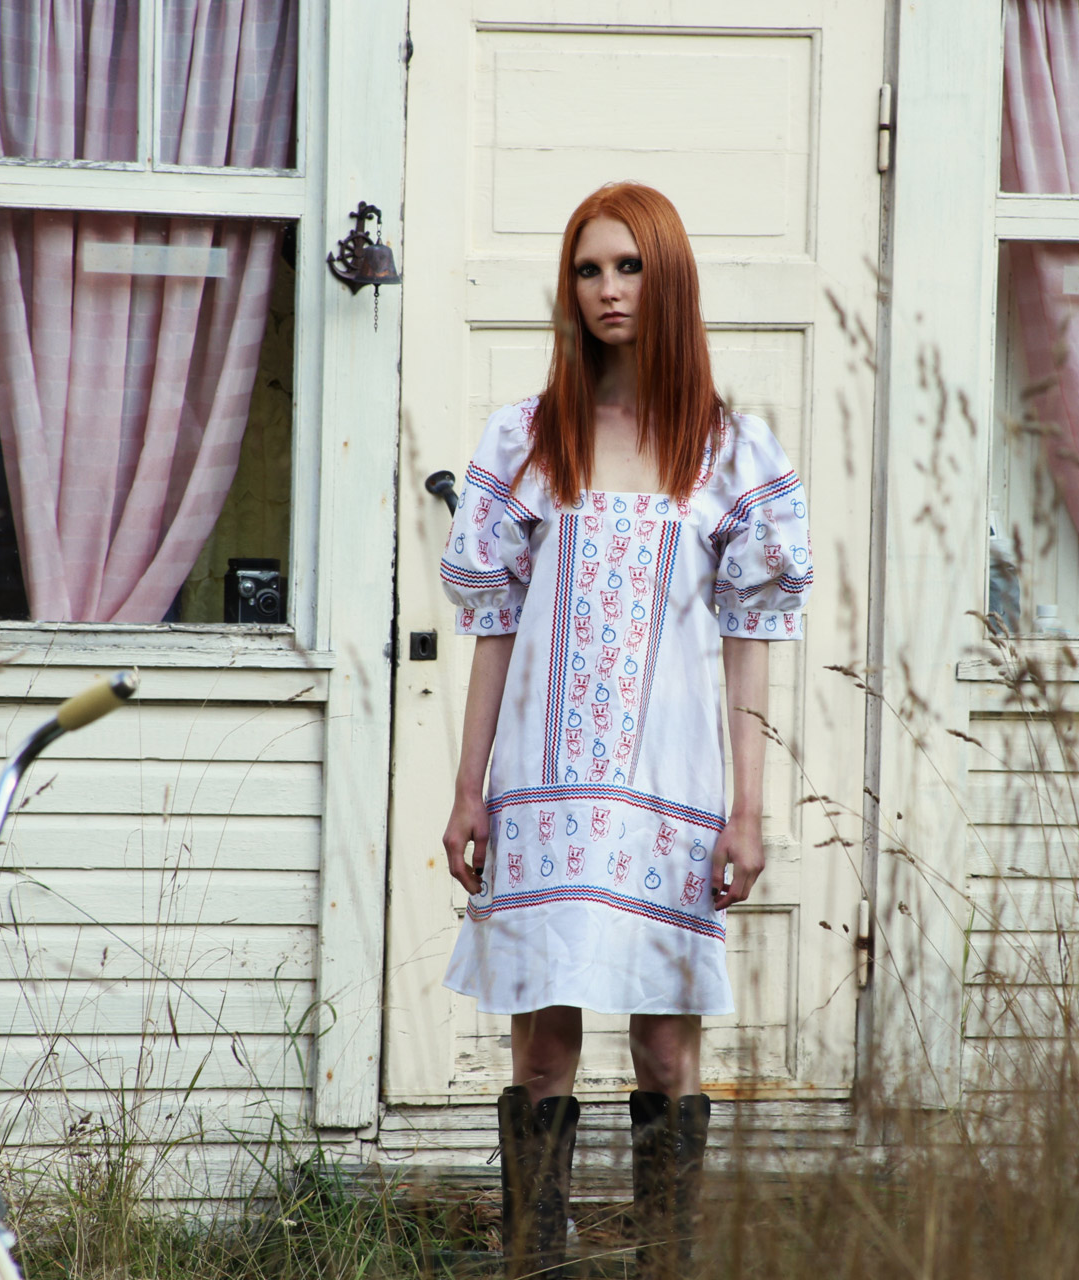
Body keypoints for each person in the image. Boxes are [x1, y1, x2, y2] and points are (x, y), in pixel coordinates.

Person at [439, 181, 813, 1278]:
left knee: (663, 1049)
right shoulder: (526, 439)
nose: (609, 290)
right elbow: (493, 630)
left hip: (671, 795)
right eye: (589, 269)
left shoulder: (730, 452)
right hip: (542, 789)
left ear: (669, 279)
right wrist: (466, 791)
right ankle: (535, 1262)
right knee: (542, 1050)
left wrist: (749, 810)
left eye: (630, 267)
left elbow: (750, 640)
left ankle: (667, 1263)